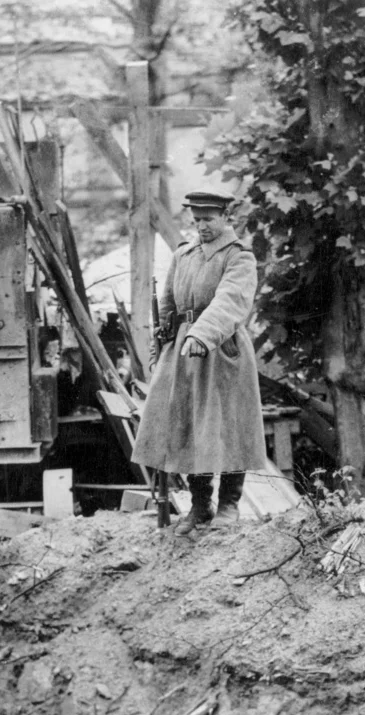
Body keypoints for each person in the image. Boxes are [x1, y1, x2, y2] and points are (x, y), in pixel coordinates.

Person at [132, 189, 268, 536]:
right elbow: (168, 303)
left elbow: (231, 301)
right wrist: (161, 342)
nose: (203, 226)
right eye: (197, 220)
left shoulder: (239, 257)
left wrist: (202, 335)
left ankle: (228, 504)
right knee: (189, 425)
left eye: (209, 219)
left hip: (223, 351)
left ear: (226, 218)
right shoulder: (185, 255)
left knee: (228, 426)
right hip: (184, 351)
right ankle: (200, 504)